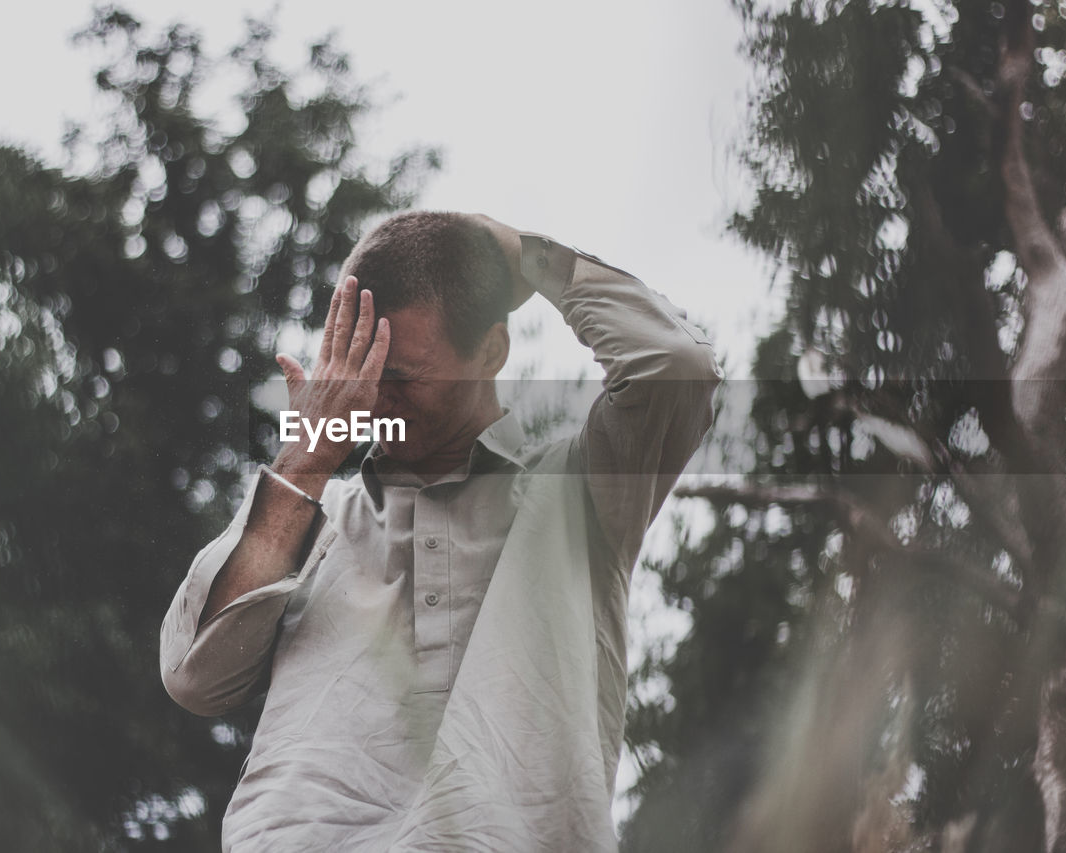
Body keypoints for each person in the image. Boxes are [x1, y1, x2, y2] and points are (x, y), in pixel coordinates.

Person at [159, 211, 723, 851]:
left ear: (491, 351)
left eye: (398, 376)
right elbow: (194, 677)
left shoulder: (582, 493)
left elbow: (678, 367)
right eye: (356, 371)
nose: (370, 400)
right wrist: (308, 456)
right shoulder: (311, 514)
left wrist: (519, 252)